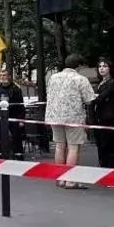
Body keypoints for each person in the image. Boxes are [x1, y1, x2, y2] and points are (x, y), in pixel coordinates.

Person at [45, 53, 97, 188]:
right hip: (73, 117)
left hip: (54, 116)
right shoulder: (80, 79)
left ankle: (60, 178)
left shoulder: (53, 77)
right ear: (78, 66)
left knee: (59, 145)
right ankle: (71, 180)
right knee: (73, 147)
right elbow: (89, 100)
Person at [91, 58, 114, 169]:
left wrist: (95, 97)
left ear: (110, 68)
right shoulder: (100, 83)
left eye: (104, 66)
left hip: (108, 117)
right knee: (101, 144)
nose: (102, 68)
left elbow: (101, 97)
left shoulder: (112, 82)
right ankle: (104, 167)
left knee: (110, 144)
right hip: (99, 117)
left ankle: (113, 169)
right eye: (100, 66)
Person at [0, 69, 26, 159]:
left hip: (13, 116)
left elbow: (21, 105)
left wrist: (21, 119)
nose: (2, 77)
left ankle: (18, 154)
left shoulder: (16, 89)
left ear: (9, 77)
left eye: (4, 75)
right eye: (1, 75)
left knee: (16, 136)